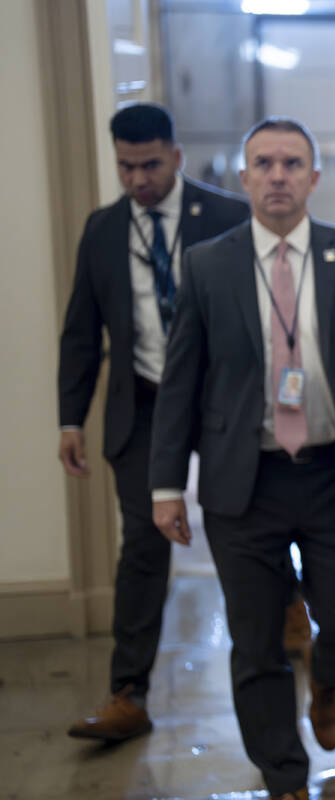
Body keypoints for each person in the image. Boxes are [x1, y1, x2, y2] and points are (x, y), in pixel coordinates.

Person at [149, 116, 335, 800]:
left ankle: (328, 679)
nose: (277, 176)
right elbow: (180, 381)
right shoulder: (208, 265)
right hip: (245, 481)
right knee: (256, 641)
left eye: (292, 164)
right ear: (243, 179)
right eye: (263, 164)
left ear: (314, 178)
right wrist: (164, 486)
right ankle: (284, 777)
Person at [58, 103, 249, 742]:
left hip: (221, 396)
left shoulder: (225, 217)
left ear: (175, 157)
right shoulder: (104, 229)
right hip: (141, 402)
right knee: (142, 545)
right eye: (125, 167)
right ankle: (127, 694)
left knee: (248, 522)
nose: (138, 179)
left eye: (148, 165)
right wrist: (70, 418)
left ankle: (289, 614)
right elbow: (81, 332)